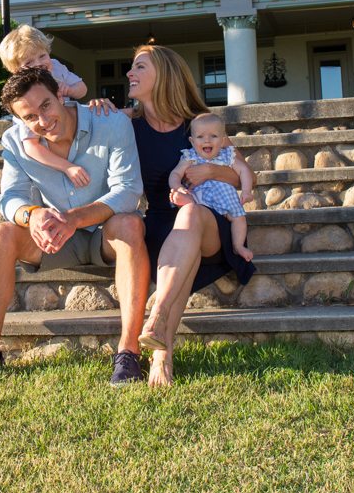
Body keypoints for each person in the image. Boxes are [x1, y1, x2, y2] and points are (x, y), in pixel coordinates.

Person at [0, 66, 148, 390]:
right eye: (29, 117)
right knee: (2, 233)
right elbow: (10, 198)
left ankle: (129, 352)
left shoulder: (112, 123)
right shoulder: (15, 141)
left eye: (45, 106)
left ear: (60, 94)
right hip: (55, 238)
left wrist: (74, 218)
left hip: (104, 233)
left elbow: (127, 191)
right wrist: (33, 216)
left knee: (129, 223)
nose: (42, 120)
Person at [99, 45, 256, 386]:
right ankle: (161, 348)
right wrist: (96, 107)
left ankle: (158, 319)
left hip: (211, 224)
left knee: (192, 215)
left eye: (139, 67)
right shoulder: (127, 124)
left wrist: (210, 172)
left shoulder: (200, 125)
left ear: (164, 75)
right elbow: (76, 123)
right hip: (158, 224)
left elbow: (242, 174)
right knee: (181, 243)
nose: (129, 73)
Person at [163, 112, 255, 279]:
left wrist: (247, 191)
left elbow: (244, 171)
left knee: (239, 218)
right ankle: (181, 200)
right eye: (200, 137)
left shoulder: (228, 155)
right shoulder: (190, 156)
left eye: (213, 136)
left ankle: (238, 245)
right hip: (201, 200)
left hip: (226, 200)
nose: (207, 140)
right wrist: (176, 187)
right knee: (191, 206)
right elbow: (175, 174)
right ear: (192, 141)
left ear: (222, 140)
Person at [0, 25, 90, 187]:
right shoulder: (22, 97)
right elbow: (31, 147)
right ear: (16, 71)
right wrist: (66, 167)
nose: (39, 63)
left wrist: (69, 89)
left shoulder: (56, 67)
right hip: (50, 153)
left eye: (42, 56)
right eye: (29, 62)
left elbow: (82, 89)